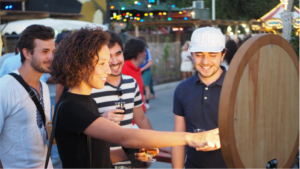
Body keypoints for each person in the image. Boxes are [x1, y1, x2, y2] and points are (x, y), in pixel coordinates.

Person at [50, 27, 221, 168]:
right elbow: (125, 137)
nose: (108, 69)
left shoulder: (87, 101)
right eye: (102, 63)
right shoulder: (71, 107)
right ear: (80, 65)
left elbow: (97, 159)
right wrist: (191, 138)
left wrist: (141, 152)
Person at [91, 31, 154, 168]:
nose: (114, 61)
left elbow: (141, 120)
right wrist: (101, 119)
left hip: (132, 162)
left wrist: (152, 148)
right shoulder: (90, 87)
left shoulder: (131, 82)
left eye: (118, 54)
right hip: (104, 163)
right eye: (108, 57)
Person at [0, 24, 55, 168]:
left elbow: (44, 130)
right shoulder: (4, 88)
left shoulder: (44, 87)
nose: (51, 57)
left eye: (53, 51)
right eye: (44, 51)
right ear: (27, 53)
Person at [172, 27, 227, 168]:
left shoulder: (239, 87)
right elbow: (178, 139)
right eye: (199, 54)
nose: (205, 61)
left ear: (223, 54)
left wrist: (226, 140)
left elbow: (254, 132)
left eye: (212, 54)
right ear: (191, 54)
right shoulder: (182, 89)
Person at [122, 38, 147, 113]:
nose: (146, 54)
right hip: (131, 121)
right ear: (139, 53)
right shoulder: (124, 70)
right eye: (144, 51)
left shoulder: (137, 69)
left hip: (139, 118)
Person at [137, 36, 153, 109]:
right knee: (140, 87)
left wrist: (142, 69)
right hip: (138, 70)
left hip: (145, 70)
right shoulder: (137, 51)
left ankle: (147, 102)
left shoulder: (147, 50)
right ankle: (142, 102)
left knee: (146, 87)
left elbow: (150, 63)